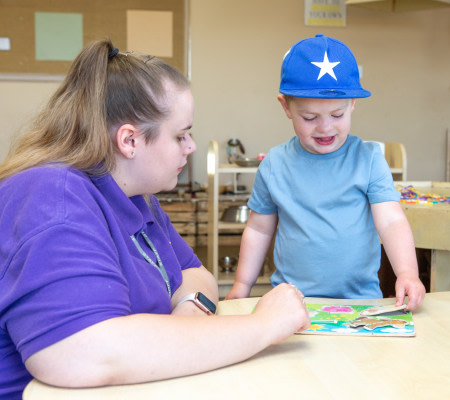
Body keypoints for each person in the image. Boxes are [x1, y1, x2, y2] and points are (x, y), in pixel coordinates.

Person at [0, 39, 310, 399]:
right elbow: (83, 355)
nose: (191, 146)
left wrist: (187, 319)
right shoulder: (54, 197)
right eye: (181, 135)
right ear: (130, 140)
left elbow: (197, 276)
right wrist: (263, 325)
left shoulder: (135, 196)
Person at [226, 35, 425, 309]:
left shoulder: (368, 160)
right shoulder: (274, 163)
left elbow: (391, 221)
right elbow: (259, 230)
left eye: (337, 115)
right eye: (310, 118)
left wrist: (407, 273)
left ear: (353, 103)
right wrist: (242, 285)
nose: (325, 127)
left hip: (361, 301)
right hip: (291, 302)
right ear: (286, 107)